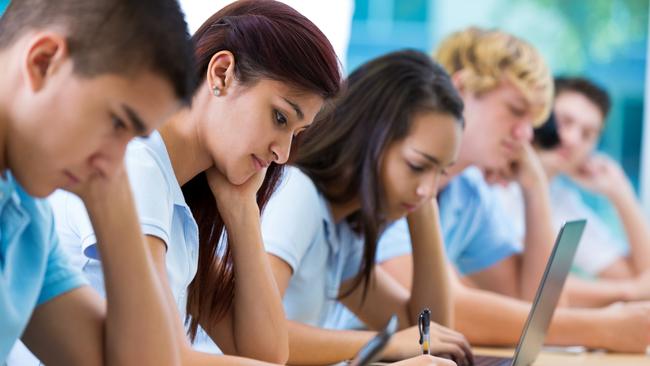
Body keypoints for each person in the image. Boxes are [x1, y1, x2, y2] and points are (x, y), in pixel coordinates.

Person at [24, 1, 342, 365]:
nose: (283, 154)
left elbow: (266, 351)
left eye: (296, 133)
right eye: (280, 118)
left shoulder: (180, 200)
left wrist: (243, 213)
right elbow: (157, 360)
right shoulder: (138, 159)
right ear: (221, 73)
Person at [358, 27, 650, 353]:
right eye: (515, 110)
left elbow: (532, 302)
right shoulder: (398, 172)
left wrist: (535, 188)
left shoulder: (469, 193)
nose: (526, 134)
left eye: (532, 120)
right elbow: (442, 315)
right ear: (462, 90)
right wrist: (600, 329)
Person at [0, 0, 196, 364]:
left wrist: (112, 198)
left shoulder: (27, 218)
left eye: (133, 140)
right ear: (43, 62)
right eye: (118, 123)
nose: (114, 165)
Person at [261, 50, 470, 366]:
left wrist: (424, 211)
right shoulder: (297, 193)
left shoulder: (341, 228)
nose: (428, 188)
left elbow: (426, 337)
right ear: (368, 136)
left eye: (441, 171)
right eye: (417, 165)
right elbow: (255, 336)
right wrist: (380, 345)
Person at [495, 76, 650, 308]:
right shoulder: (491, 182)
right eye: (565, 122)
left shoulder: (564, 203)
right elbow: (521, 282)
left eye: (587, 134)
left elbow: (641, 279)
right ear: (540, 116)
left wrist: (621, 194)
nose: (572, 139)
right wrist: (628, 292)